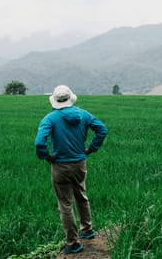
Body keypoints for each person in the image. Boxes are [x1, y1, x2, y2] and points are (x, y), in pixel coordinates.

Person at [34, 85, 108, 255]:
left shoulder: (50, 119)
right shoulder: (83, 114)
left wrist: (46, 156)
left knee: (65, 204)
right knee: (81, 195)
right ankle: (87, 230)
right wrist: (90, 149)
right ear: (70, 99)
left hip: (60, 165)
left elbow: (39, 142)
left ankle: (73, 243)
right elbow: (102, 130)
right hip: (79, 163)